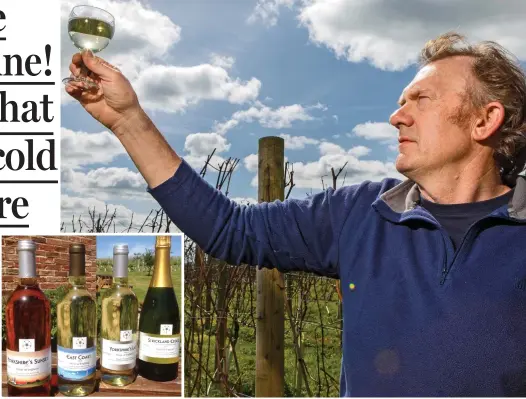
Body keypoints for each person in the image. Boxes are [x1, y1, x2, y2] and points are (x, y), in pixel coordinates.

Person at [66, 32, 526, 396]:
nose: (396, 116)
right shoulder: (361, 213)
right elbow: (230, 229)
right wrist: (127, 120)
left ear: (484, 120)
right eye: (402, 100)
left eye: (420, 100)